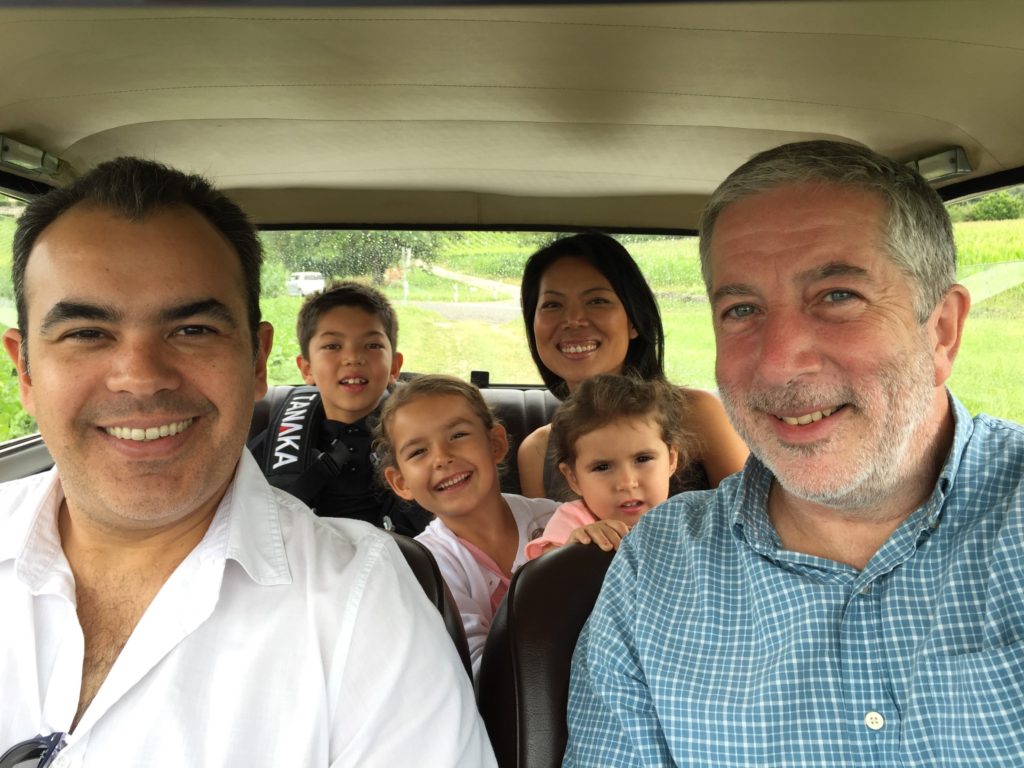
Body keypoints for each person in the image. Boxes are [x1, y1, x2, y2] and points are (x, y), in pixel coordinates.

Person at [0, 158, 495, 766]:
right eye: (85, 333)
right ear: (24, 369)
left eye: (192, 329)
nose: (142, 378)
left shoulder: (366, 606)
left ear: (257, 361)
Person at [563, 140, 1024, 766]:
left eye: (837, 296)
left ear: (941, 329)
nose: (777, 362)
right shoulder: (657, 569)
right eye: (742, 309)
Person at [516, 232, 747, 501]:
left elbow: (750, 523)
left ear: (634, 322)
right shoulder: (536, 451)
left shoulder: (696, 414)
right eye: (552, 305)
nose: (573, 320)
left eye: (597, 301)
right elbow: (547, 542)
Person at [374, 374, 558, 679]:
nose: (442, 458)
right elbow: (480, 677)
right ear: (401, 482)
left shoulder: (555, 520)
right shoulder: (428, 568)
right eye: (419, 452)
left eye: (458, 435)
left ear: (496, 443)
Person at [247, 280, 431, 535]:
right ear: (306, 368)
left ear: (394, 367)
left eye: (372, 345)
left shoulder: (424, 436)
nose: (353, 357)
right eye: (332, 346)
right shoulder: (280, 444)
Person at [523, 374, 690, 559]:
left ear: (671, 459)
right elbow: (543, 576)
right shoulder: (575, 521)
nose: (627, 483)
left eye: (643, 459)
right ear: (573, 478)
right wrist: (573, 550)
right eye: (602, 467)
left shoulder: (684, 520)